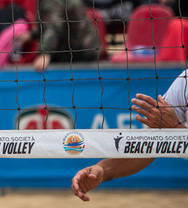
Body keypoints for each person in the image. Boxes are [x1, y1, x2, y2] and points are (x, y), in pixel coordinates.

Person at [71, 69, 186, 201]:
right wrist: (102, 169)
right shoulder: (185, 81)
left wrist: (176, 128)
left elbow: (171, 128)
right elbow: (148, 146)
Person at [15, 0, 99, 71]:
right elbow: (48, 22)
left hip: (80, 55)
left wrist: (45, 54)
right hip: (70, 49)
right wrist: (32, 35)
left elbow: (54, 27)